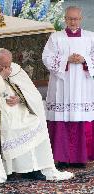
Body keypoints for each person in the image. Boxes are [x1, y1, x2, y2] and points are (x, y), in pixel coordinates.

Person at [0, 48, 73, 183]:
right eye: (2, 66)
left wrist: (20, 98)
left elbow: (32, 92)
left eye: (8, 65)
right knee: (10, 127)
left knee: (34, 122)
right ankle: (8, 170)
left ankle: (32, 169)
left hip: (17, 108)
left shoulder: (15, 69)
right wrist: (0, 78)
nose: (6, 69)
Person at [42, 6, 94, 169]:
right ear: (65, 19)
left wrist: (85, 60)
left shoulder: (90, 37)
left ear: (81, 19)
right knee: (62, 117)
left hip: (82, 86)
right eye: (70, 19)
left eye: (76, 19)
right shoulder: (55, 37)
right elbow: (47, 57)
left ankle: (81, 158)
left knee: (80, 116)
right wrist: (67, 59)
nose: (73, 22)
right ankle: (62, 158)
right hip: (62, 85)